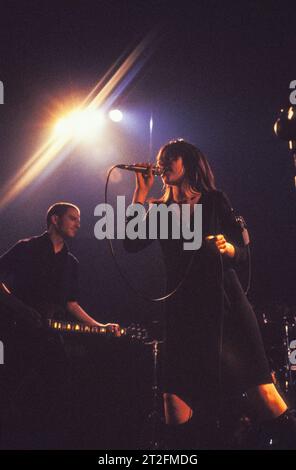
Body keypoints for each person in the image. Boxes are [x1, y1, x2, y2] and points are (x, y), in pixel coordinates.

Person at [124, 139, 296, 449]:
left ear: (188, 162)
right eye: (160, 159)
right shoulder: (159, 210)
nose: (162, 164)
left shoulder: (214, 200)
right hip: (181, 310)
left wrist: (228, 248)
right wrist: (140, 193)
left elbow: (243, 253)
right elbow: (131, 243)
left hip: (224, 304)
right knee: (173, 403)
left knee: (265, 395)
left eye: (169, 158)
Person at [0, 202, 119, 331]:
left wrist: (101, 327)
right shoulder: (26, 247)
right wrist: (18, 307)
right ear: (55, 219)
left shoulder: (71, 262)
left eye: (79, 221)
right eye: (73, 219)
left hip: (48, 334)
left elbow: (71, 304)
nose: (78, 225)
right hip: (16, 329)